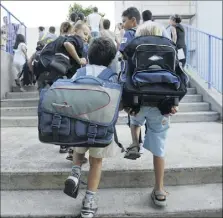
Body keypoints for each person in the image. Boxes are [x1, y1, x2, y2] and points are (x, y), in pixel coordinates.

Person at [124, 21, 179, 207]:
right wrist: (175, 102)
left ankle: (134, 143)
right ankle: (159, 189)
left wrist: (126, 103)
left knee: (135, 119)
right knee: (159, 147)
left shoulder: (135, 48)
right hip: (162, 103)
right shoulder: (169, 48)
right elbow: (180, 77)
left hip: (139, 101)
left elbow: (125, 76)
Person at [64, 37, 117, 218]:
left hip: (79, 122)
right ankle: (88, 203)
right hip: (101, 126)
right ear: (111, 59)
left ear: (89, 54)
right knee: (96, 162)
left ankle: (75, 171)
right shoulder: (111, 76)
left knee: (79, 151)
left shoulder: (80, 72)